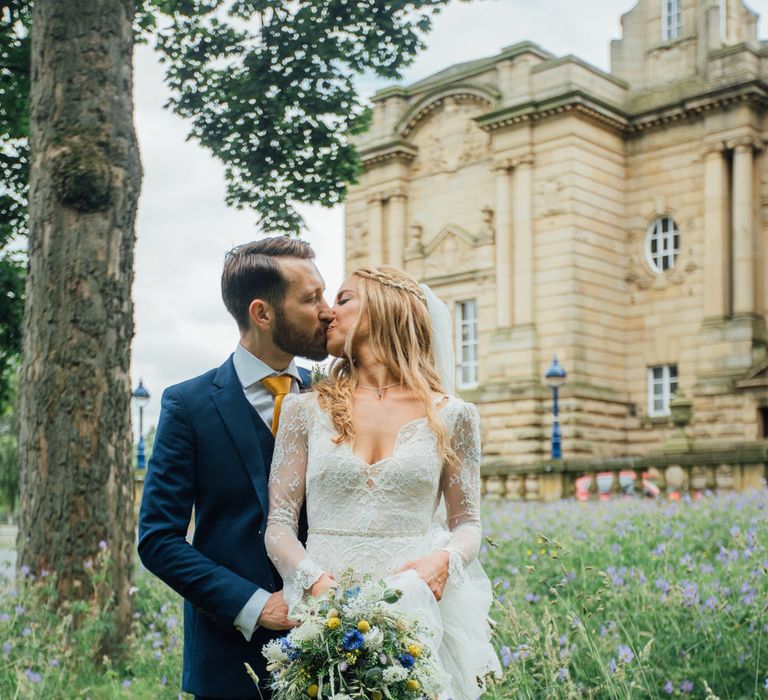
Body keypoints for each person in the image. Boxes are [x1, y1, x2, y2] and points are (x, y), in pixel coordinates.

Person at [264, 265, 501, 700]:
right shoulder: (302, 410)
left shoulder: (453, 415)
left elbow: (468, 523)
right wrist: (313, 581)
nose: (328, 313)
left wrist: (443, 560)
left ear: (385, 307)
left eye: (344, 299)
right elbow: (279, 523)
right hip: (324, 613)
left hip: (414, 610)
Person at [138, 237, 333, 700]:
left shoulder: (332, 396)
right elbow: (158, 541)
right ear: (262, 313)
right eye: (311, 299)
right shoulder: (187, 404)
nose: (327, 310)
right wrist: (256, 605)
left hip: (338, 650)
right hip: (230, 662)